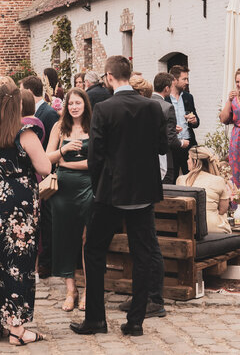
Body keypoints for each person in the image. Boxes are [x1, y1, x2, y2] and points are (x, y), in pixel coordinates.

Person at [71, 55, 167, 338]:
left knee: (94, 250)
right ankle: (136, 320)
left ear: (109, 77)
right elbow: (162, 147)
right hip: (144, 192)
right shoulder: (153, 107)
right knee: (143, 254)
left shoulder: (104, 108)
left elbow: (95, 154)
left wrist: (97, 185)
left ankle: (96, 319)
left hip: (111, 192)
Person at [0, 84, 51, 346]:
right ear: (16, 107)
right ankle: (17, 330)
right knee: (18, 260)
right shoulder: (23, 134)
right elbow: (45, 166)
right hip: (17, 204)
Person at [45, 88, 94, 312]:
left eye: (78, 103)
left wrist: (64, 163)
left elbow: (94, 163)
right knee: (64, 238)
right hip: (62, 190)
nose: (74, 107)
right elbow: (47, 158)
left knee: (86, 238)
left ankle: (88, 291)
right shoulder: (59, 127)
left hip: (87, 186)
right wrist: (63, 151)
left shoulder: (92, 127)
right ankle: (70, 290)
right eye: (71, 103)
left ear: (85, 105)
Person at [20, 75, 58, 278]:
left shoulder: (49, 113)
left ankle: (46, 262)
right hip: (35, 169)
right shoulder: (36, 112)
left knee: (46, 219)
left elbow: (51, 143)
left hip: (43, 170)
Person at [177, 146, 231, 234]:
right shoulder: (218, 180)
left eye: (189, 158)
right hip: (212, 229)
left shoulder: (181, 180)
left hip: (188, 228)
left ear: (195, 161)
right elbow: (223, 210)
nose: (187, 161)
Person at [165, 65, 200, 177]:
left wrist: (194, 120)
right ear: (174, 80)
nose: (187, 82)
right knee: (172, 178)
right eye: (184, 79)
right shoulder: (165, 98)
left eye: (187, 79)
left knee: (192, 177)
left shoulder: (188, 97)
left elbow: (196, 122)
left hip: (189, 144)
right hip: (173, 146)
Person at [152, 73, 182, 184]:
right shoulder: (167, 107)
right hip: (164, 155)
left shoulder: (145, 102)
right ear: (166, 88)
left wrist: (172, 128)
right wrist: (182, 142)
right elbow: (171, 139)